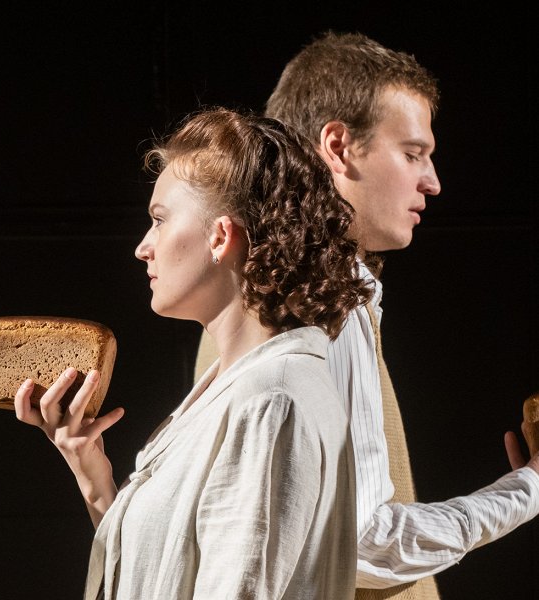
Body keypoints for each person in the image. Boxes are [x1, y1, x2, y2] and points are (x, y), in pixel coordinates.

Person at [194, 32, 539, 598]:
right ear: (338, 147)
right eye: (412, 154)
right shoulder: (323, 298)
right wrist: (527, 490)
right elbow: (360, 540)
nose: (433, 181)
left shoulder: (245, 295)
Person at [16, 108, 369, 599]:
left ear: (220, 237)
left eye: (159, 220)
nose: (144, 246)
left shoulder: (271, 404)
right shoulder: (237, 388)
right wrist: (94, 478)